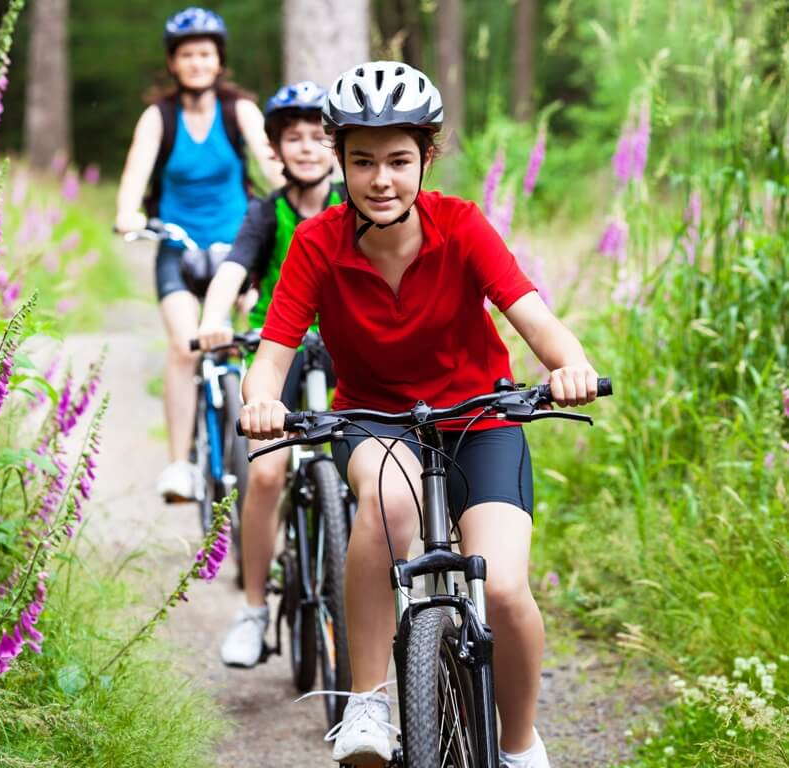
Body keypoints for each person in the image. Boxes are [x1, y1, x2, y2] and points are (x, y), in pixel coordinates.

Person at [237, 61, 599, 768]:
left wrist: (569, 366)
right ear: (340, 159)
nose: (381, 180)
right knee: (385, 504)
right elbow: (276, 349)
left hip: (481, 418)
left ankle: (520, 744)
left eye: (399, 161)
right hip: (373, 420)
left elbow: (534, 317)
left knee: (500, 583)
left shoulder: (462, 226)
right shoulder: (317, 243)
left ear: (426, 158)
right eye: (363, 161)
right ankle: (368, 701)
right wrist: (261, 399)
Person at [194, 80, 343, 667]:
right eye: (293, 139)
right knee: (265, 474)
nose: (306, 148)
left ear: (335, 147)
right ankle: (254, 608)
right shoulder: (266, 213)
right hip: (273, 346)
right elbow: (233, 270)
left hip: (344, 348)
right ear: (275, 150)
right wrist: (212, 318)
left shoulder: (352, 207)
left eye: (317, 137)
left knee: (375, 467)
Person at [114, 7, 283, 501]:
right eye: (187, 54)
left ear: (219, 59)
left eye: (205, 53)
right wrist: (128, 215)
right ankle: (179, 466)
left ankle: (265, 450)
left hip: (238, 245)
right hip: (178, 248)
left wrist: (296, 195)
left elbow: (272, 166)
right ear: (173, 62)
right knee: (184, 345)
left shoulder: (240, 112)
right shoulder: (158, 117)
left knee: (247, 335)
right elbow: (135, 175)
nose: (197, 62)